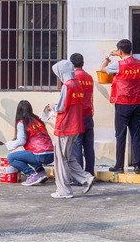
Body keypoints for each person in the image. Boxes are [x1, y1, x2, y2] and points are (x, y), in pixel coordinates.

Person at [49, 59, 94, 199]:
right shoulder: (78, 85)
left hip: (65, 126)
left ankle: (64, 190)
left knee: (60, 159)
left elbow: (61, 108)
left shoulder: (67, 86)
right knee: (67, 157)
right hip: (76, 126)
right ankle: (86, 178)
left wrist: (51, 107)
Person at [100, 39, 140, 174]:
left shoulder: (118, 65)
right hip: (137, 102)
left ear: (119, 51)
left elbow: (103, 70)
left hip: (123, 103)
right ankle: (137, 165)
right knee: (136, 134)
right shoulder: (139, 63)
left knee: (120, 135)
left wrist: (107, 58)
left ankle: (120, 165)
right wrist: (120, 55)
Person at [4, 100, 55, 186]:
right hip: (51, 154)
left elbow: (21, 141)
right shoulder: (38, 120)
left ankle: (31, 175)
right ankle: (41, 173)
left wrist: (9, 144)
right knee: (29, 154)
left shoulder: (22, 123)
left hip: (39, 155)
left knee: (11, 158)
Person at [70, 53, 95, 180]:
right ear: (83, 63)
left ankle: (79, 178)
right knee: (89, 147)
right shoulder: (89, 77)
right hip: (88, 115)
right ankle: (90, 174)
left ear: (71, 65)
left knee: (77, 147)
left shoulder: (72, 78)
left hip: (77, 117)